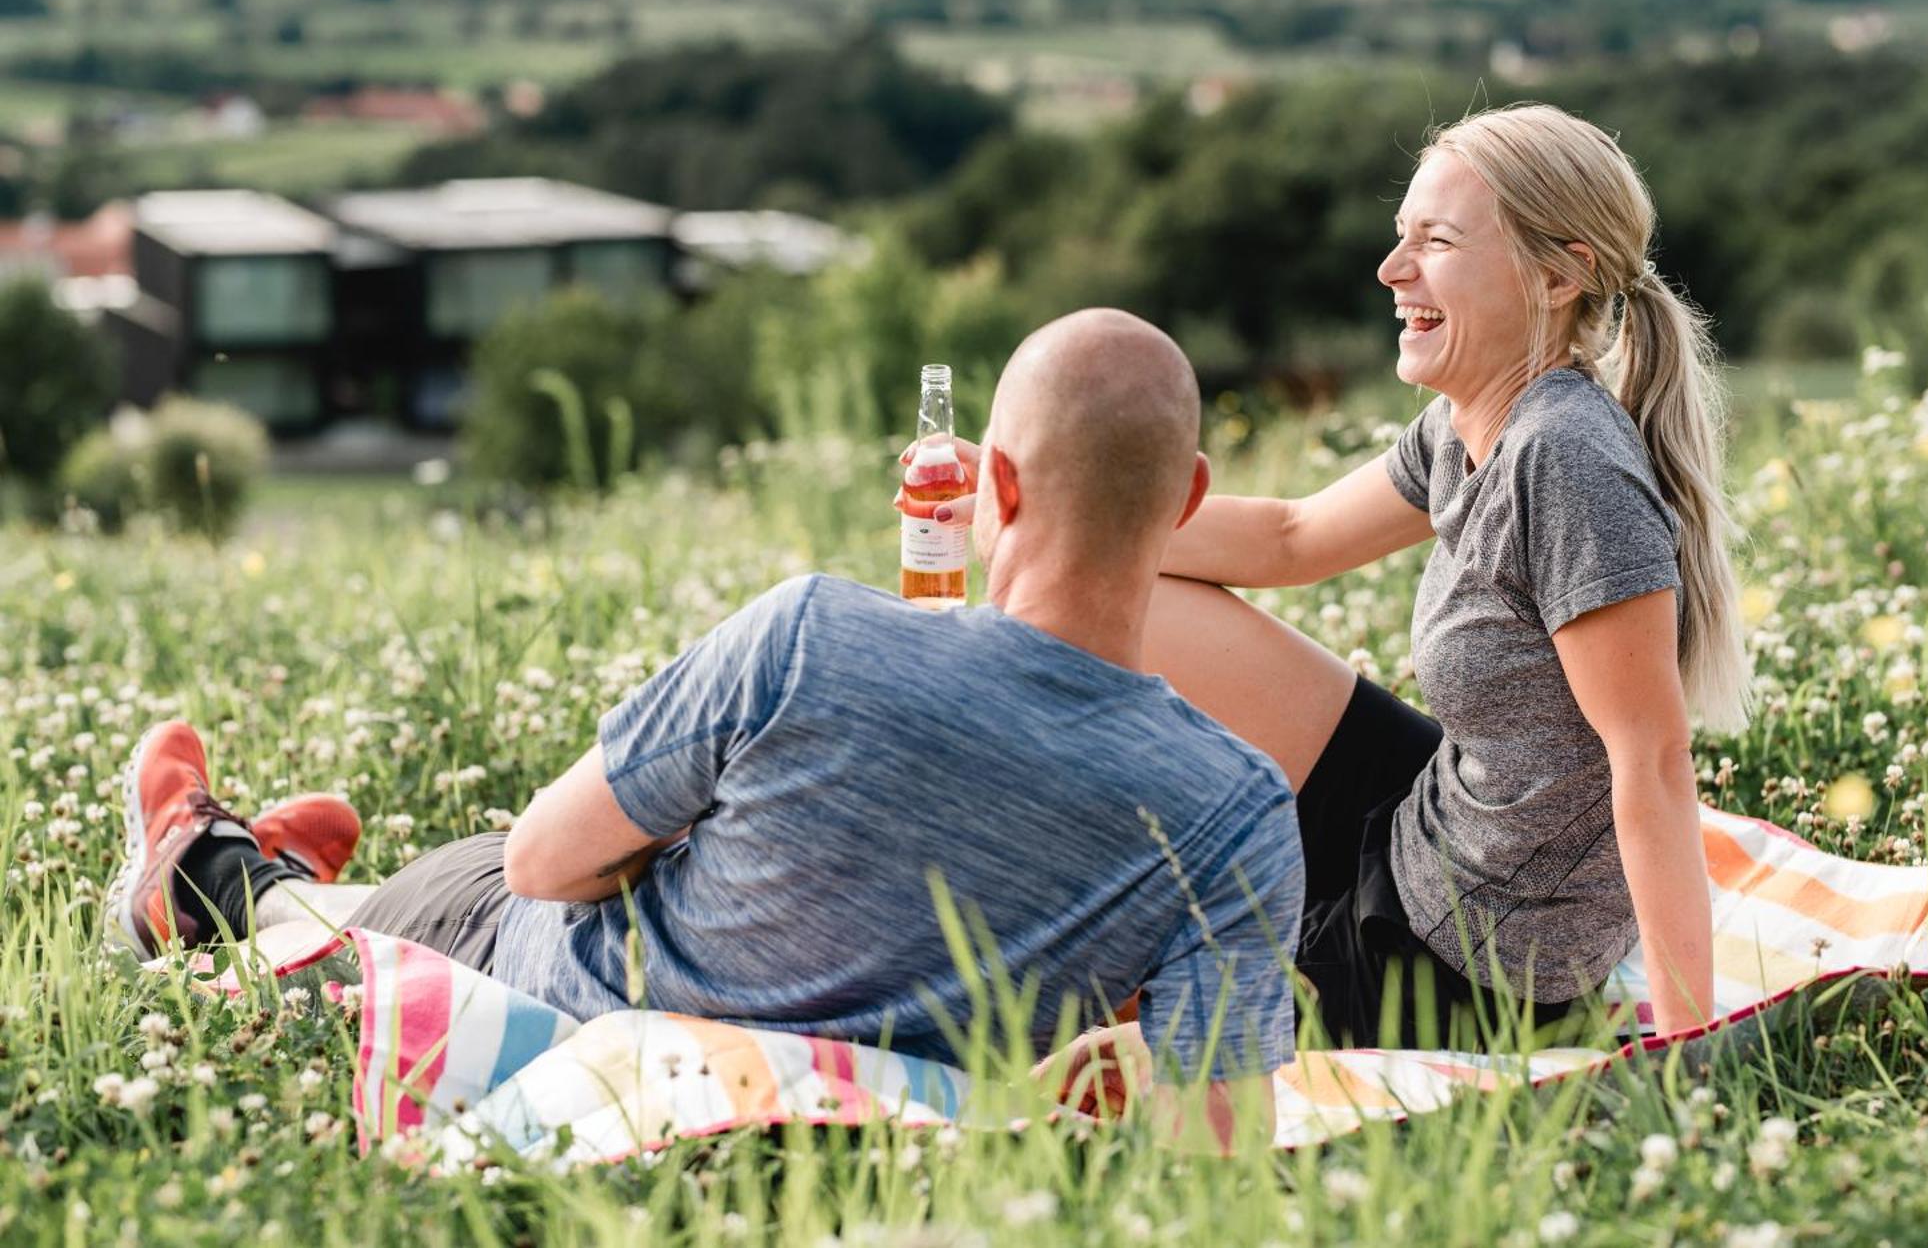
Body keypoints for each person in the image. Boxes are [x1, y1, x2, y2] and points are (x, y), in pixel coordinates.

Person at [105, 308, 1304, 1150]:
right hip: (905, 1140)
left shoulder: (812, 634)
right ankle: (253, 870)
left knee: (475, 869)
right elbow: (1209, 1134)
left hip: (587, 1027)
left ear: (989, 481)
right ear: (1190, 497)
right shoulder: (1235, 810)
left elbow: (541, 861)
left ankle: (213, 876)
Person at [925, 105, 1749, 1047]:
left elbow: (1650, 759)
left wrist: (1690, 1047)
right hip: (1427, 814)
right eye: (1401, 238)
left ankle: (1017, 920)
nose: (1391, 272)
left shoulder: (1565, 457)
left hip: (1464, 956)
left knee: (1119, 1009)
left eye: (1434, 243)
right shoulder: (1471, 423)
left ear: (1560, 275)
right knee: (1126, 585)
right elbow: (1290, 537)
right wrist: (1030, 493)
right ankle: (1036, 858)